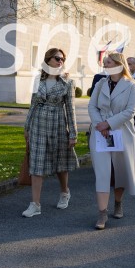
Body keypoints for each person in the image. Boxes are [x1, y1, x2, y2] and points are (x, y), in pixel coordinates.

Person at [22, 48, 79, 217]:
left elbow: (71, 109)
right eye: (57, 58)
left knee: (60, 163)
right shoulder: (38, 79)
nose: (60, 61)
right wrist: (27, 127)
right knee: (36, 163)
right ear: (48, 60)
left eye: (62, 59)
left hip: (58, 125)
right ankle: (35, 204)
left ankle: (64, 192)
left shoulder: (67, 82)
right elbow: (33, 104)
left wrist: (73, 133)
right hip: (38, 125)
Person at [87, 51, 135, 230]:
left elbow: (130, 111)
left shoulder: (131, 85)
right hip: (100, 134)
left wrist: (108, 124)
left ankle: (118, 202)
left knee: (119, 171)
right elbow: (92, 105)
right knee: (102, 172)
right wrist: (99, 125)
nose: (105, 65)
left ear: (118, 64)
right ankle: (102, 213)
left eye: (108, 62)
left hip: (121, 133)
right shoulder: (101, 83)